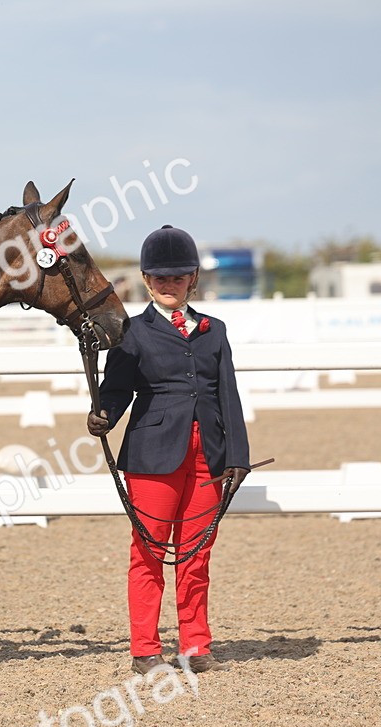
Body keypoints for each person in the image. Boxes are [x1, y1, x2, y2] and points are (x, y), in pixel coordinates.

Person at [87, 225, 251, 675]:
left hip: (208, 457)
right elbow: (116, 389)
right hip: (152, 454)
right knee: (149, 552)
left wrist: (237, 457)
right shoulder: (132, 332)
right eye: (159, 278)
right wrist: (103, 413)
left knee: (197, 555)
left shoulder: (214, 331)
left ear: (192, 278)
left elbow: (227, 396)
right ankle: (145, 648)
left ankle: (196, 645)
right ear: (146, 279)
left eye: (177, 277)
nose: (168, 284)